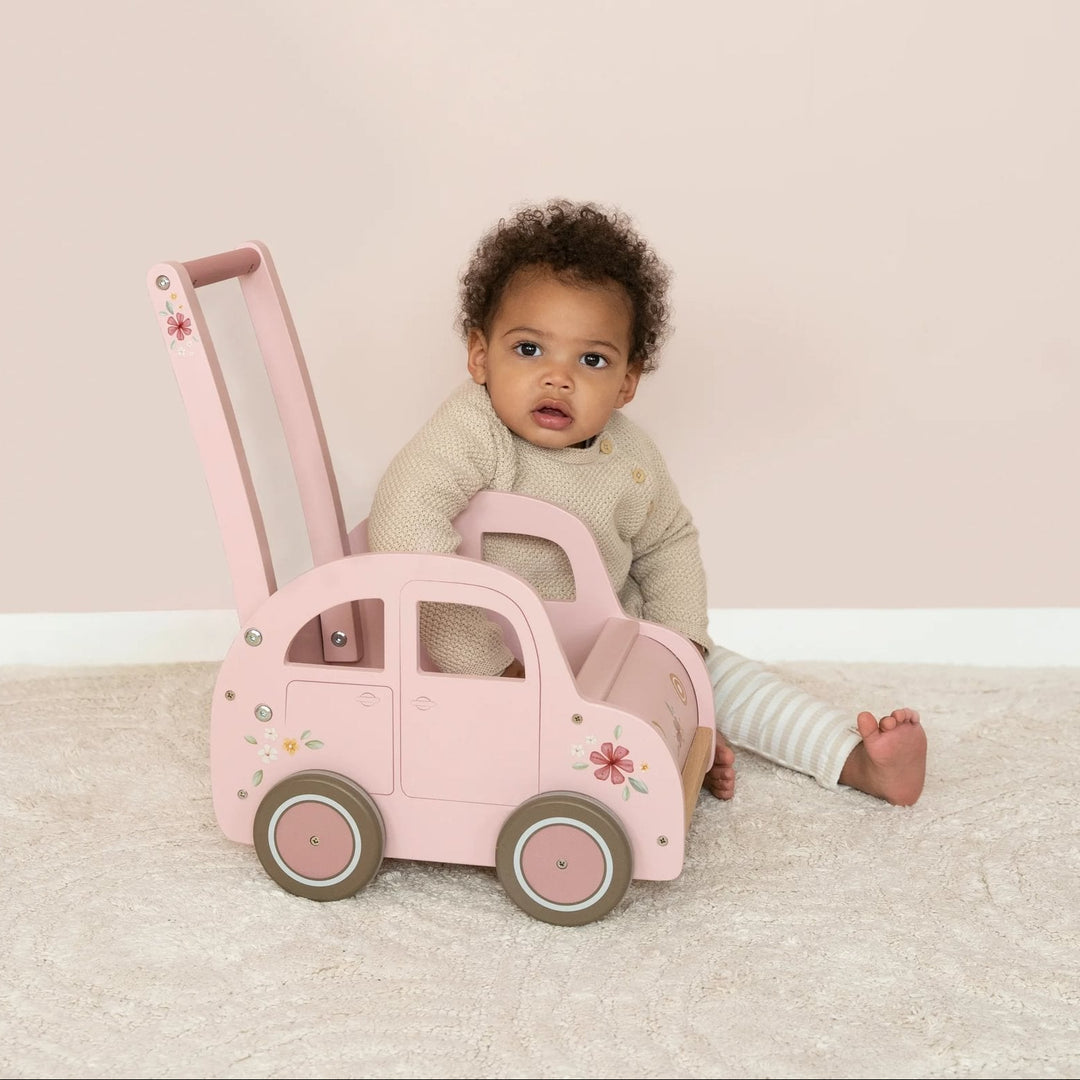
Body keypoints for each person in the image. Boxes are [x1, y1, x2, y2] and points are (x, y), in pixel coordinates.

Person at [367, 199, 927, 806]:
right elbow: (405, 524)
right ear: (480, 354)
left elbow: (668, 542)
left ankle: (853, 760)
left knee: (727, 682)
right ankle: (661, 755)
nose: (559, 378)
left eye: (592, 360)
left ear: (627, 383)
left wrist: (678, 646)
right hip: (499, 660)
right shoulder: (473, 431)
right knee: (507, 735)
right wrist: (488, 663)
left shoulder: (630, 457)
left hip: (612, 644)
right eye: (529, 349)